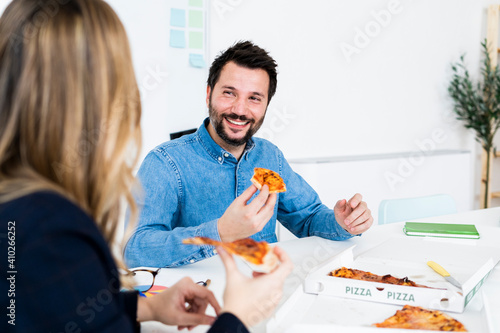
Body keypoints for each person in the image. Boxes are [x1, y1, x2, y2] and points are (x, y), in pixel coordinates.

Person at [0, 1, 292, 332]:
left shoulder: (28, 213)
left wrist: (144, 306)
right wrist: (238, 317)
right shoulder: (54, 230)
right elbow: (133, 250)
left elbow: (51, 305)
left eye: (255, 97)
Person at [124, 41, 374, 268]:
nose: (240, 110)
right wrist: (219, 232)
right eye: (229, 93)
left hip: (267, 291)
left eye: (254, 98)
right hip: (200, 301)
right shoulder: (165, 163)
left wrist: (342, 224)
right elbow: (135, 248)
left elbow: (308, 218)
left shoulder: (270, 157)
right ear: (209, 94)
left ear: (266, 105)